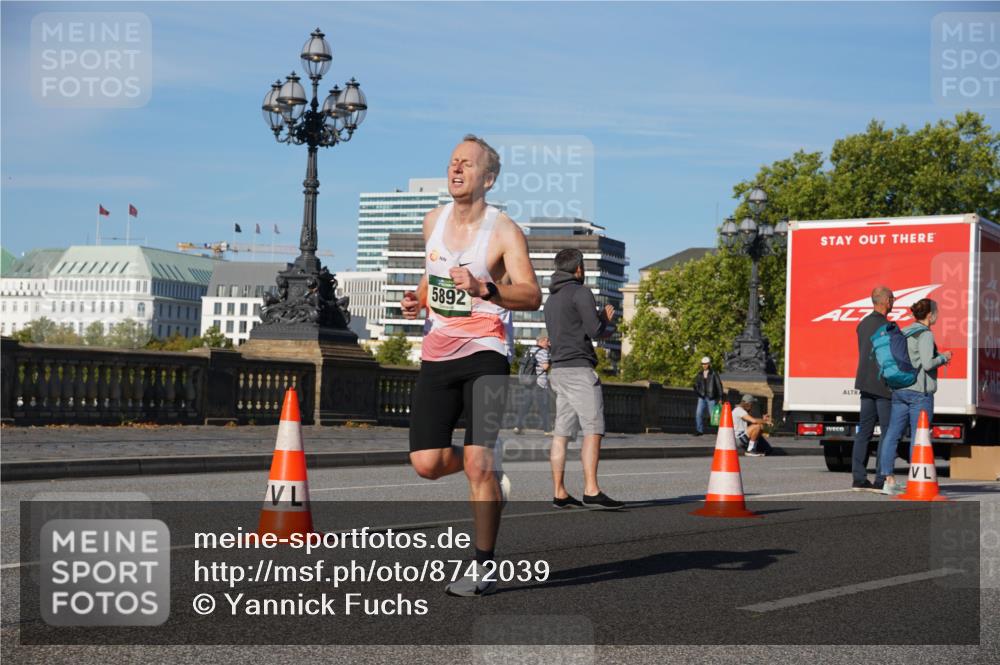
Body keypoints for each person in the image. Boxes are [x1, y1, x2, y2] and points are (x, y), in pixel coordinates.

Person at [400, 135, 542, 596]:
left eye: (468, 164)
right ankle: (486, 471)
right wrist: (415, 299)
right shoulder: (432, 221)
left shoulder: (503, 231)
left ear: (489, 178)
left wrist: (486, 290)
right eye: (452, 162)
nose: (456, 169)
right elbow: (431, 275)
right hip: (438, 351)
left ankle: (482, 566)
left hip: (487, 352)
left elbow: (532, 294)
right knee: (427, 463)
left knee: (477, 463)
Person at [544, 248, 623, 510]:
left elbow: (567, 330)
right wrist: (607, 321)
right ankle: (591, 489)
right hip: (579, 369)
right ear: (578, 269)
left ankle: (560, 491)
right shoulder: (581, 292)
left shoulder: (551, 299)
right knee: (593, 429)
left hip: (558, 369)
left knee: (561, 433)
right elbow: (596, 331)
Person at [873, 298, 952, 495]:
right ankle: (915, 479)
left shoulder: (906, 331)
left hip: (900, 389)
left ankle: (888, 479)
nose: (938, 315)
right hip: (919, 393)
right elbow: (927, 363)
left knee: (892, 434)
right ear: (929, 314)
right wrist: (944, 357)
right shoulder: (925, 334)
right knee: (919, 437)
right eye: (937, 312)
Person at [850, 286, 895, 491]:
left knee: (864, 432)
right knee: (887, 432)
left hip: (865, 384)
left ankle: (858, 478)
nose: (893, 301)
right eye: (892, 298)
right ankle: (881, 478)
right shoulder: (889, 327)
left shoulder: (863, 324)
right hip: (883, 385)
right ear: (885, 301)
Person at [513, 334, 551, 434]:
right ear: (542, 341)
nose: (548, 343)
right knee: (544, 406)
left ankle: (518, 426)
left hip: (528, 382)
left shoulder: (529, 350)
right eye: (547, 341)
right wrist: (550, 360)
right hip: (539, 383)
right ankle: (547, 430)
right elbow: (545, 367)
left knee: (525, 406)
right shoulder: (543, 352)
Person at [692, 356, 724, 436]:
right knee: (698, 414)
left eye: (706, 364)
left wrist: (720, 397)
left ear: (709, 364)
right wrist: (699, 393)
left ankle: (720, 431)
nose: (704, 365)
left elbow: (719, 385)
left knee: (714, 416)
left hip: (711, 397)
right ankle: (699, 431)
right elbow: (696, 385)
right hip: (702, 397)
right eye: (703, 364)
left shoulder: (713, 373)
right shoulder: (700, 374)